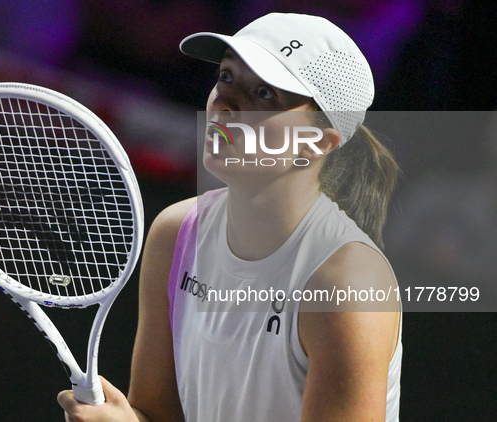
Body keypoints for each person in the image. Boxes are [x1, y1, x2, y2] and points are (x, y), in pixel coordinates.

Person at [58, 12, 402, 421]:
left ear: (315, 144)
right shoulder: (176, 232)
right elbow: (157, 414)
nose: (225, 103)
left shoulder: (345, 285)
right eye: (225, 77)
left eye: (262, 93)